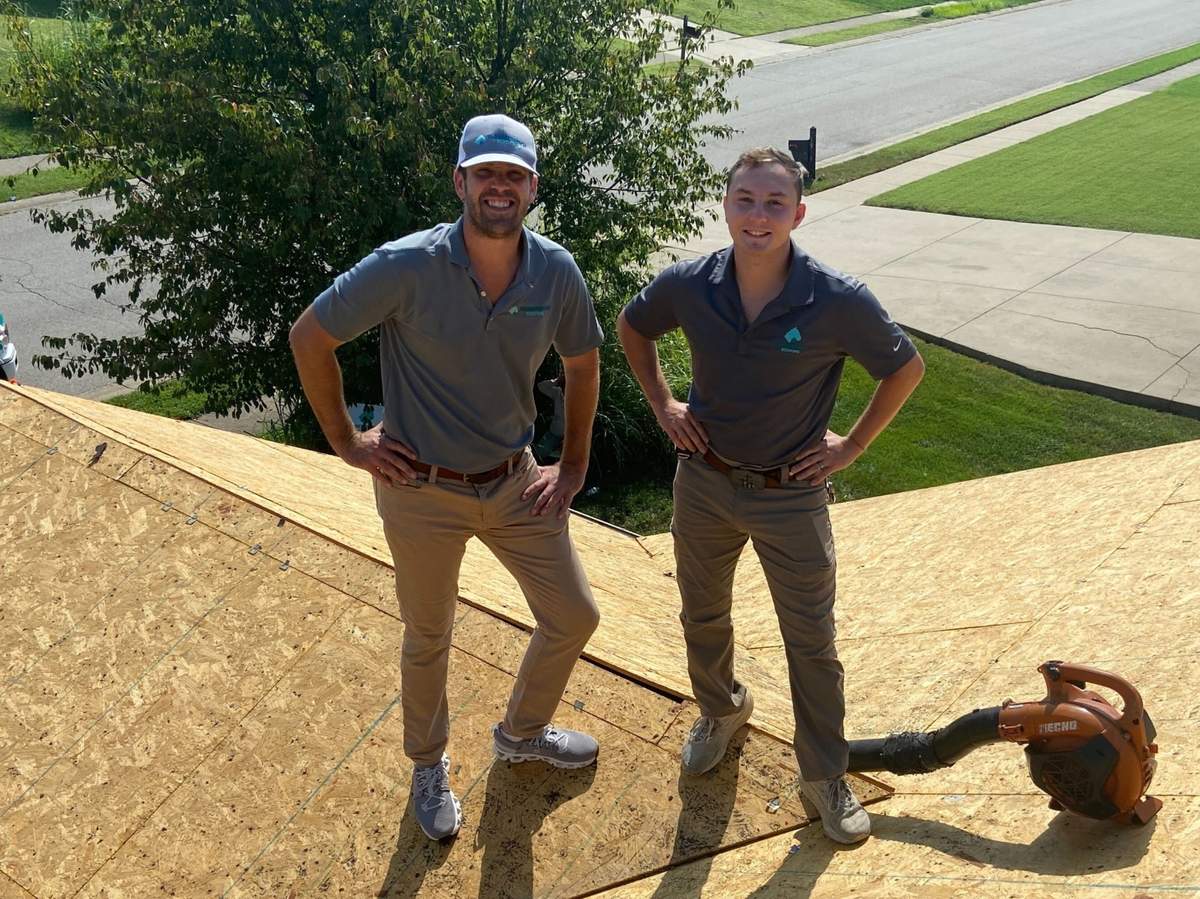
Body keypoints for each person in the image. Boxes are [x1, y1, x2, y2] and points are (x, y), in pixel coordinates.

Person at [289, 114, 604, 841]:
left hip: (514, 480)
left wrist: (574, 462)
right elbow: (310, 337)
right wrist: (347, 440)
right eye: (486, 172)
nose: (500, 186)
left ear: (532, 188)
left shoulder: (554, 271)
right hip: (419, 487)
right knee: (429, 633)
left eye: (514, 175)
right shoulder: (406, 266)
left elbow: (583, 364)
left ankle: (522, 732)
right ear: (460, 181)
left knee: (575, 614)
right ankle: (427, 764)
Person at [617, 147, 924, 844]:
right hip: (705, 479)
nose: (758, 216)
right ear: (725, 205)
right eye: (745, 200)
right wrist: (664, 402)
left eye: (774, 203)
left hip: (792, 495)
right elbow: (633, 328)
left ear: (798, 213)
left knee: (811, 643)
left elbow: (905, 369)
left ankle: (823, 772)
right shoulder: (692, 284)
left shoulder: (836, 298)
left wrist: (852, 447)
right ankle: (721, 708)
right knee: (702, 612)